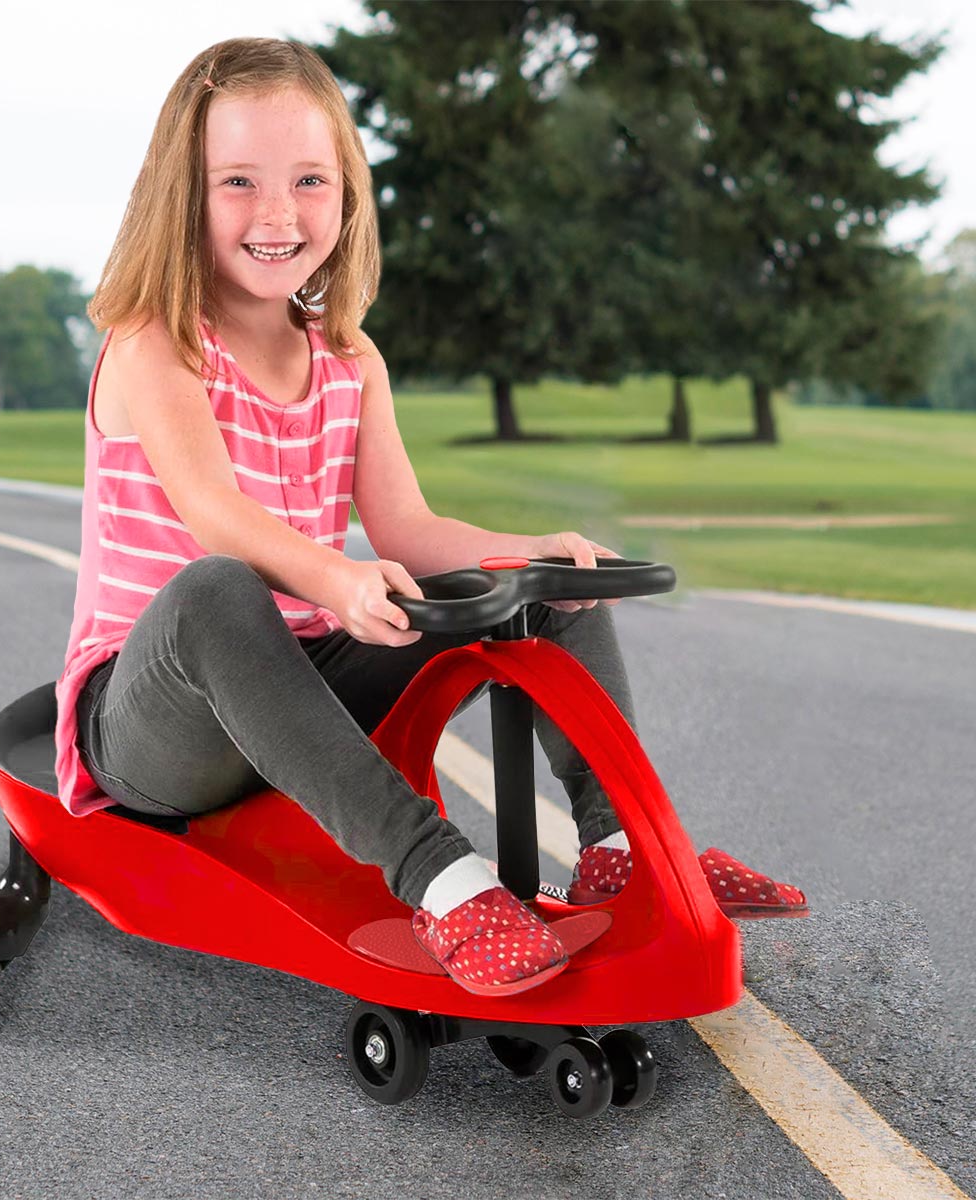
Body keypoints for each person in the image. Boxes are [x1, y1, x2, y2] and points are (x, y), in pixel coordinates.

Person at [54, 37, 806, 1001]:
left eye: (308, 181)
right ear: (180, 196)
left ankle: (619, 843)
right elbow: (215, 517)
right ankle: (447, 884)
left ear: (347, 196)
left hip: (306, 668)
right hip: (158, 716)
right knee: (218, 590)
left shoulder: (348, 360)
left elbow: (405, 529)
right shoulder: (155, 343)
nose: (277, 213)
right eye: (236, 181)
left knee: (535, 589)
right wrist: (334, 580)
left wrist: (531, 559)